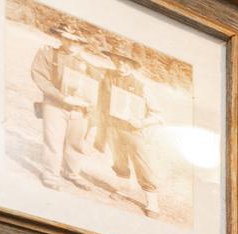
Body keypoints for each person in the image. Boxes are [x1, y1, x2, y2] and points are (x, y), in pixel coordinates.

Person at [29, 28, 96, 192]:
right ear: (61, 37)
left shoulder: (87, 65)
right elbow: (39, 77)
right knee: (53, 141)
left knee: (75, 143)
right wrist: (62, 97)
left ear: (82, 44)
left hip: (78, 109)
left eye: (77, 41)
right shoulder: (48, 53)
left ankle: (72, 173)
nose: (72, 43)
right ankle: (50, 175)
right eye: (68, 38)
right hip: (55, 105)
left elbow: (93, 89)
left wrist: (87, 103)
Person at [95, 50, 160, 216]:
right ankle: (124, 190)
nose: (121, 65)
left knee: (142, 164)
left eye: (125, 62)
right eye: (117, 61)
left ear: (132, 65)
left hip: (133, 131)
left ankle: (152, 202)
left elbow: (158, 114)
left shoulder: (142, 87)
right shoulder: (108, 77)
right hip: (113, 128)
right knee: (119, 161)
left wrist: (142, 122)